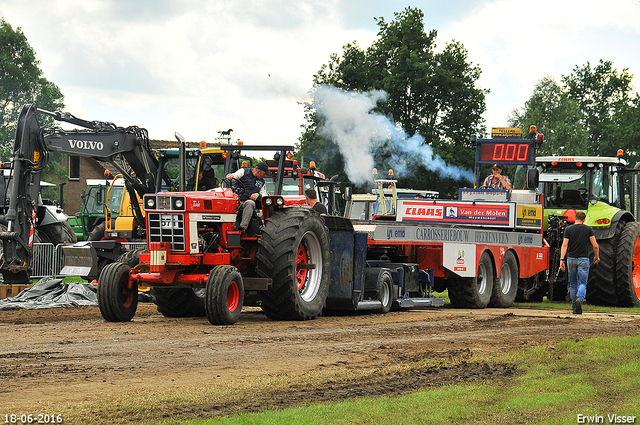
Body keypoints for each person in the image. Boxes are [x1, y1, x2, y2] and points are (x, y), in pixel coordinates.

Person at [559, 211, 600, 314]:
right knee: (582, 282)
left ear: (575, 217)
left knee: (573, 284)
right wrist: (596, 256)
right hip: (583, 259)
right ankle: (579, 299)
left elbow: (564, 245)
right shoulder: (588, 229)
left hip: (571, 259)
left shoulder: (568, 229)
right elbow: (595, 245)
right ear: (584, 219)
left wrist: (561, 259)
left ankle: (574, 308)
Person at [226, 162, 270, 231]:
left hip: (247, 203)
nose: (265, 176)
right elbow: (234, 176)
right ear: (259, 171)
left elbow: (264, 194)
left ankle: (243, 227)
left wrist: (258, 195)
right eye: (264, 173)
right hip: (236, 200)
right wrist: (230, 176)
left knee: (250, 203)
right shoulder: (244, 171)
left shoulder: (262, 182)